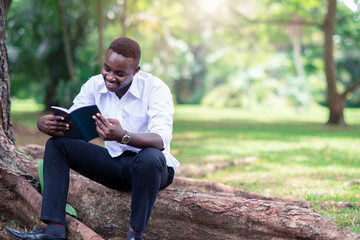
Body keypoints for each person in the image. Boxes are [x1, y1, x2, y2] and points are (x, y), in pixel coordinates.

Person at [6, 36, 179, 240]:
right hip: (115, 164)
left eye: (120, 73)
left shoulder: (156, 89)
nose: (110, 77)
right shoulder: (94, 85)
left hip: (153, 171)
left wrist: (123, 136)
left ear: (136, 71)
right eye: (107, 68)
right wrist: (46, 125)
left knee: (150, 157)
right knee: (57, 145)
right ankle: (54, 229)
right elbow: (72, 126)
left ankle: (134, 234)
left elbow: (160, 140)